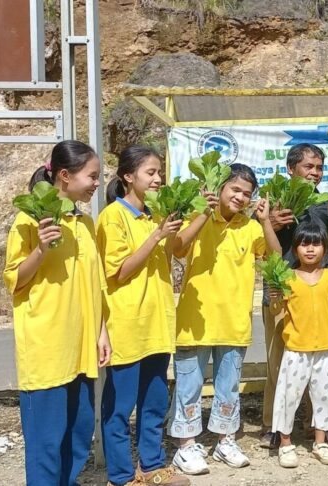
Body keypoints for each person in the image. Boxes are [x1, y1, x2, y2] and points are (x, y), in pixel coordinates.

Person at [3, 140, 111, 485]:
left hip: (81, 348)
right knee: (46, 443)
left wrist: (101, 330)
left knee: (78, 435)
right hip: (48, 349)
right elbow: (15, 281)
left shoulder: (85, 223)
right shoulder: (29, 220)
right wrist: (40, 249)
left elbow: (97, 283)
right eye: (92, 176)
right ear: (64, 176)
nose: (97, 183)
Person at [169, 163, 282, 474]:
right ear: (219, 189)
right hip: (196, 321)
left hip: (234, 321)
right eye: (234, 189)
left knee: (228, 386)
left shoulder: (251, 227)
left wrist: (266, 222)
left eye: (247, 193)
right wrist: (204, 213)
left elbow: (274, 257)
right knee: (189, 385)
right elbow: (177, 248)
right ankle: (186, 444)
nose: (241, 197)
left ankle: (225, 440)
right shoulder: (197, 217)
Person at [97, 146, 189, 486]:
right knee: (120, 409)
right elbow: (120, 271)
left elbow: (175, 252)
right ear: (128, 176)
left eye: (159, 172)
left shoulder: (155, 216)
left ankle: (152, 467)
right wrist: (157, 236)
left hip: (157, 323)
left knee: (154, 402)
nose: (158, 178)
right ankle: (121, 476)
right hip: (126, 325)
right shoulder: (113, 217)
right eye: (151, 172)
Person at [260, 143, 328, 449]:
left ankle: (318, 427)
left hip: (318, 295)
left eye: (319, 168)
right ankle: (272, 426)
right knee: (278, 361)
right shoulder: (274, 200)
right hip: (281, 290)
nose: (315, 173)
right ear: (290, 169)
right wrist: (270, 222)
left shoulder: (327, 204)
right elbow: (252, 241)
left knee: (318, 363)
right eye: (308, 167)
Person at [268, 223, 328, 468]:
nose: (310, 250)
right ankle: (285, 443)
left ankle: (321, 442)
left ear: (325, 249)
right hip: (296, 350)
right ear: (295, 248)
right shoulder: (287, 277)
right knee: (288, 396)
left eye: (316, 244)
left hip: (324, 350)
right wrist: (276, 297)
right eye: (304, 244)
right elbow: (277, 309)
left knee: (325, 396)